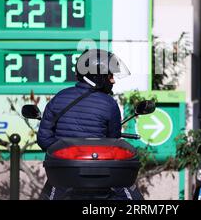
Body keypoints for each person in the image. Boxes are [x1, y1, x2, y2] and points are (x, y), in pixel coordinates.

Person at [37, 49, 143, 200]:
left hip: (65, 174)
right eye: (110, 75)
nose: (113, 80)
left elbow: (43, 139)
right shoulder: (109, 104)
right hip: (104, 175)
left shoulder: (59, 98)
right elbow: (113, 142)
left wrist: (66, 152)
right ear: (98, 76)